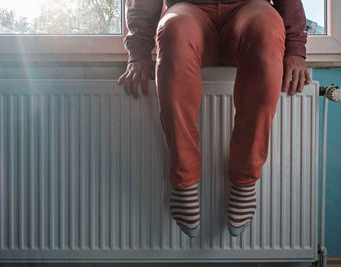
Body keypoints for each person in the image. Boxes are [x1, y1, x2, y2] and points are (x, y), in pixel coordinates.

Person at [118, 0, 311, 238]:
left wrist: (295, 50)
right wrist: (138, 52)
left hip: (249, 10)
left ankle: (244, 179)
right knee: (174, 28)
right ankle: (184, 180)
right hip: (189, 10)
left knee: (267, 27)